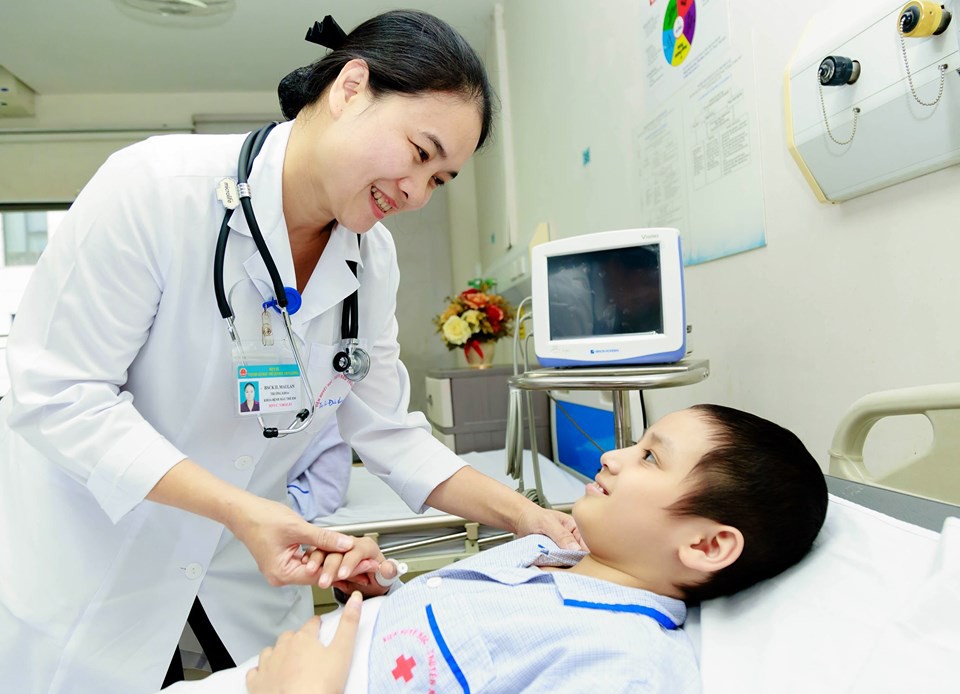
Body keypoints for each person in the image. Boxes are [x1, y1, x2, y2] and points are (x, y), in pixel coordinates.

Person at [0, 11, 579, 694]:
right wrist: (240, 510)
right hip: (95, 562)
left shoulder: (371, 258)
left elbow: (387, 430)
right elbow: (59, 396)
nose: (417, 194)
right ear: (351, 88)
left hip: (244, 577)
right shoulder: (155, 188)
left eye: (441, 180)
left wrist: (523, 515)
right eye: (420, 153)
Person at [169, 404, 829, 693]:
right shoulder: (548, 555)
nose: (612, 455)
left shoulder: (622, 666)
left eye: (651, 457)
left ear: (708, 544)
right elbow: (454, 656)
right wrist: (381, 599)